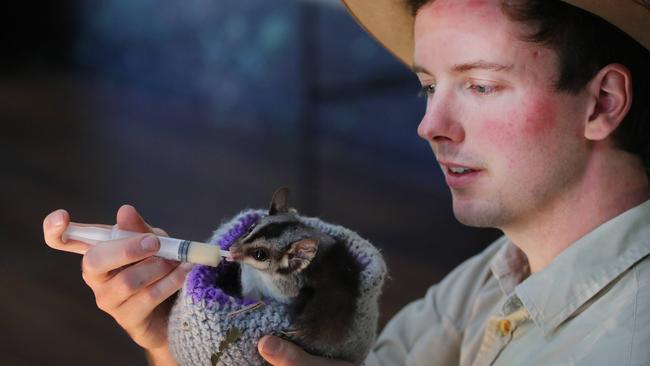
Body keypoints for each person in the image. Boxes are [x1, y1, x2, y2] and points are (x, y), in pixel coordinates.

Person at [43, 0, 650, 364]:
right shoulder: (500, 273)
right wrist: (180, 342)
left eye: (481, 85)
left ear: (602, 102)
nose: (429, 125)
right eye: (430, 86)